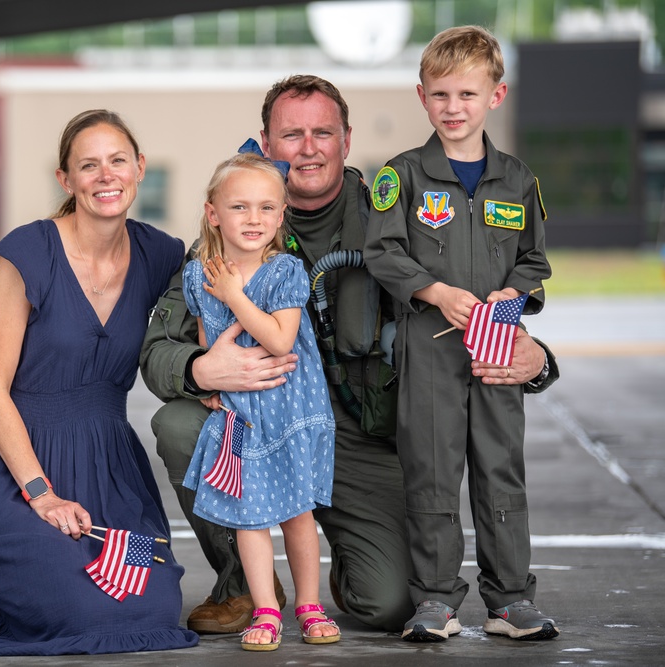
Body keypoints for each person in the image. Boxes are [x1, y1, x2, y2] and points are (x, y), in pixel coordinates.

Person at [139, 74, 559, 635]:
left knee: (389, 605)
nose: (308, 148)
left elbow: (472, 304)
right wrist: (198, 369)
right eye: (292, 135)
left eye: (323, 133)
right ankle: (243, 584)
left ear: (347, 140)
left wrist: (537, 361)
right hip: (258, 423)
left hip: (362, 440)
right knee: (178, 423)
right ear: (266, 144)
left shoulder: (398, 219)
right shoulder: (230, 230)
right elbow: (157, 348)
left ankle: (343, 562)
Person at [0, 109, 199, 656]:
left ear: (139, 168)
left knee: (151, 605)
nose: (105, 176)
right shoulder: (28, 253)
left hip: (111, 474)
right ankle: (16, 583)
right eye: (88, 165)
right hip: (18, 474)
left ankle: (22, 595)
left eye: (117, 161)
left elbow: (218, 282)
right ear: (66, 179)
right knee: (85, 607)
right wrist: (41, 495)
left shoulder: (161, 254)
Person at [364, 26, 558, 642]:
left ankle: (510, 600)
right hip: (429, 350)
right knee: (431, 472)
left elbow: (534, 261)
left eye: (468, 95)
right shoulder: (403, 176)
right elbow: (382, 252)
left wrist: (514, 295)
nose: (454, 108)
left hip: (496, 348)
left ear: (495, 96)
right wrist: (436, 291)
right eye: (441, 95)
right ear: (421, 97)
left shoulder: (516, 179)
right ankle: (435, 600)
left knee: (502, 470)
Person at [181, 151, 339, 650]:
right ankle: (267, 606)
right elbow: (210, 342)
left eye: (267, 208)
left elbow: (279, 341)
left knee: (296, 515)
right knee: (248, 517)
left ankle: (310, 605)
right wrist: (210, 387)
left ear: (281, 214)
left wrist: (234, 294)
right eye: (241, 207)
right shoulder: (197, 275)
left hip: (290, 411)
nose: (255, 219)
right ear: (213, 214)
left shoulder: (286, 270)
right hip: (242, 416)